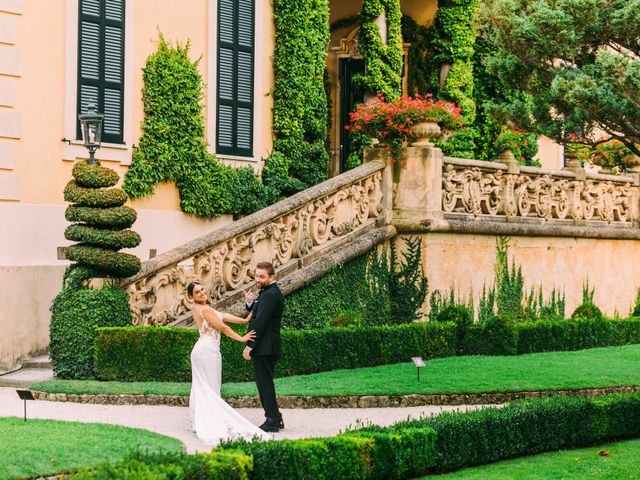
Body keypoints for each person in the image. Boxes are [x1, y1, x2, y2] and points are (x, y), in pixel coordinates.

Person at [187, 281, 271, 446]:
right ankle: (209, 419)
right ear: (192, 297)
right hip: (206, 352)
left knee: (205, 386)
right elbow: (223, 327)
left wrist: (246, 318)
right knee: (208, 386)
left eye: (203, 289)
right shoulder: (204, 309)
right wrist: (242, 338)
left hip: (205, 351)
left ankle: (203, 418)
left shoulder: (205, 308)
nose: (202, 293)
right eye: (197, 292)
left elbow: (225, 316)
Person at [243, 261, 285, 432]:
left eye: (262, 276)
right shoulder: (268, 292)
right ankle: (277, 418)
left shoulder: (270, 294)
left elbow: (260, 322)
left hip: (265, 347)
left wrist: (249, 346)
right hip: (267, 346)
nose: (258, 279)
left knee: (264, 384)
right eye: (256, 276)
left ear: (271, 276)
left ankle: (272, 420)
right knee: (266, 383)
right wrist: (250, 303)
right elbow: (260, 312)